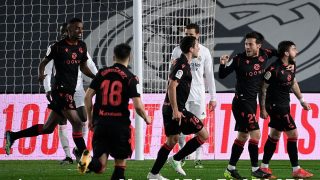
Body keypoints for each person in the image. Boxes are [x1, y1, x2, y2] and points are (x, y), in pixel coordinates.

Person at [5, 18, 95, 160]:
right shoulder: (57, 47)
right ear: (69, 30)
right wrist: (41, 74)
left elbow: (83, 66)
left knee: (47, 128)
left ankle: (13, 135)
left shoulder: (82, 46)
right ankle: (86, 160)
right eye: (77, 28)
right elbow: (44, 62)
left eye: (81, 28)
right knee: (78, 123)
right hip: (60, 91)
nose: (80, 31)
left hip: (71, 90)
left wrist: (95, 77)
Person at [78, 43, 151, 180]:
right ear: (130, 57)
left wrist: (91, 119)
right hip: (119, 126)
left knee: (100, 167)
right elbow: (138, 106)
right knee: (120, 165)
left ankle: (86, 160)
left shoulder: (101, 73)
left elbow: (87, 97)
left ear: (113, 57)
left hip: (101, 123)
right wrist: (147, 118)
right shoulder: (131, 78)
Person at [147, 36, 209, 180]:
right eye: (197, 45)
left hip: (171, 108)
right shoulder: (182, 64)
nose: (199, 48)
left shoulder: (182, 63)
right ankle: (176, 159)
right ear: (191, 49)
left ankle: (154, 174)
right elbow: (172, 86)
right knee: (204, 135)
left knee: (172, 141)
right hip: (176, 110)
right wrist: (176, 110)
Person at [219, 31, 278, 179]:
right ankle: (255, 169)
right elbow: (222, 75)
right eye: (246, 44)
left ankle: (230, 169)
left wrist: (288, 62)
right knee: (256, 134)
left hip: (252, 102)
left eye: (250, 44)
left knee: (243, 136)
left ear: (259, 45)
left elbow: (279, 53)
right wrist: (222, 64)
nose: (247, 46)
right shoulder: (238, 59)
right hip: (241, 102)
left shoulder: (265, 54)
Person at [43, 23, 98, 164]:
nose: (63, 34)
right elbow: (47, 69)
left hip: (78, 89)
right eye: (62, 32)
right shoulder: (55, 47)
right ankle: (68, 155)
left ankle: (78, 149)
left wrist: (99, 77)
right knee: (62, 122)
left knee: (83, 119)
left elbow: (89, 63)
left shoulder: (79, 46)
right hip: (62, 88)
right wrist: (47, 87)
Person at [259, 41, 313, 178]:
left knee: (275, 135)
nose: (297, 51)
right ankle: (296, 170)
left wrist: (302, 101)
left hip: (283, 105)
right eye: (294, 49)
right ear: (286, 53)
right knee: (293, 134)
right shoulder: (273, 69)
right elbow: (262, 88)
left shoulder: (291, 65)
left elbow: (293, 82)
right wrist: (263, 108)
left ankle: (264, 167)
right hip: (277, 107)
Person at [171, 23, 217, 168]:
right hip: (183, 93)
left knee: (200, 126)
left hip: (198, 93)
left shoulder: (204, 51)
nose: (188, 36)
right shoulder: (177, 51)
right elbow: (171, 76)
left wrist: (213, 97)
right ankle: (182, 154)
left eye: (191, 34)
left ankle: (198, 158)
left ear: (198, 35)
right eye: (186, 34)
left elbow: (209, 75)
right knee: (181, 126)